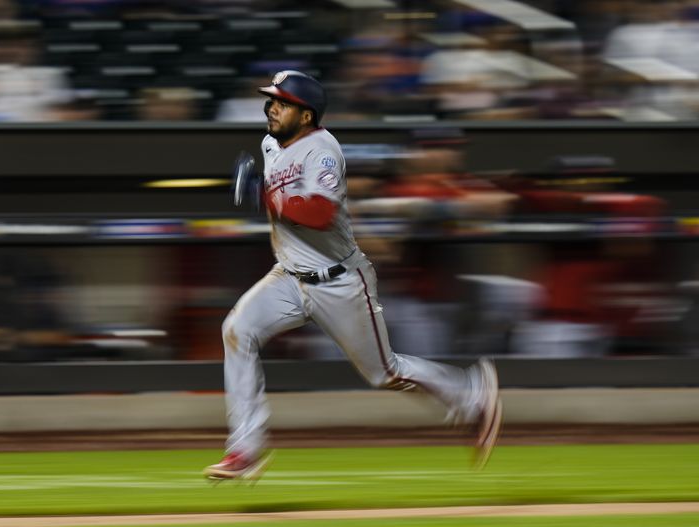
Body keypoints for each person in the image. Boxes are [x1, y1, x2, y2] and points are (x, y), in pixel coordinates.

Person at [203, 70, 501, 481]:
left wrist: (263, 195)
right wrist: (266, 193)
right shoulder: (271, 143)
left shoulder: (324, 151)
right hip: (289, 277)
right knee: (237, 331)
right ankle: (245, 450)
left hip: (340, 281)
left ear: (306, 115)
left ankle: (470, 395)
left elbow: (320, 215)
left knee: (384, 372)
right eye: (272, 99)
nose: (272, 107)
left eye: (283, 102)